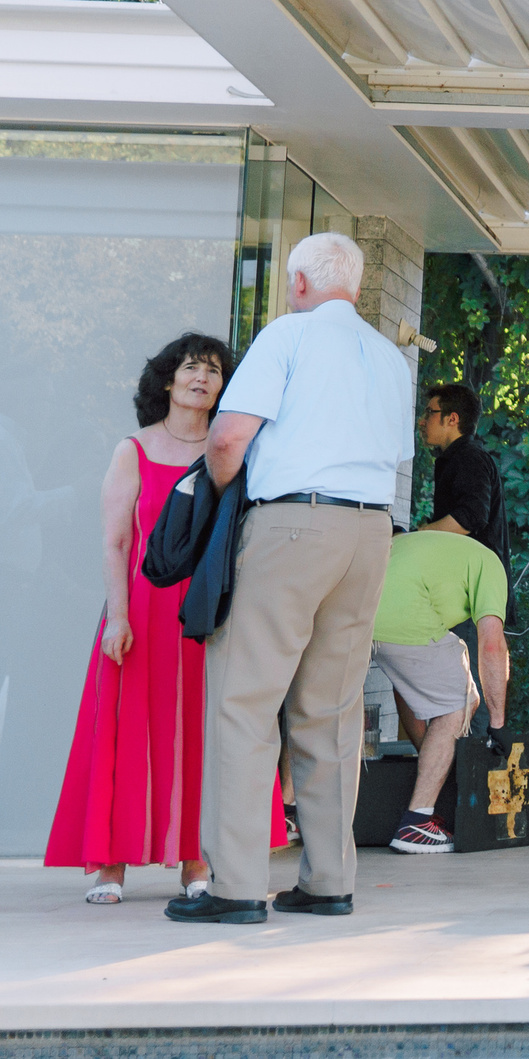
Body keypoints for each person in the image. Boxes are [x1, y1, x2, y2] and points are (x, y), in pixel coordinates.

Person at [174, 232, 410, 925]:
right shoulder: (390, 358)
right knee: (332, 710)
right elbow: (392, 451)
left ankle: (237, 885)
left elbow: (225, 439)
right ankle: (330, 879)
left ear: (299, 284)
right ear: (358, 288)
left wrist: (219, 496)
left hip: (293, 524)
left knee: (244, 700)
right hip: (368, 532)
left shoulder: (288, 336)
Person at [47, 335, 287, 903]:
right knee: (125, 732)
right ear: (167, 380)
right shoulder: (133, 449)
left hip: (205, 611)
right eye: (191, 368)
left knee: (204, 732)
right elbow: (114, 541)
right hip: (141, 611)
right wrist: (117, 617)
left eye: (213, 370)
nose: (202, 378)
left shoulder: (232, 449)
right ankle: (110, 866)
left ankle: (194, 861)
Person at [369, 525, 511, 853]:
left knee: (442, 662)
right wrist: (498, 723)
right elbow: (492, 646)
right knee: (460, 701)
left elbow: (405, 687)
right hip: (404, 612)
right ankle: (417, 823)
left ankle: (292, 809)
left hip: (358, 607)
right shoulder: (492, 566)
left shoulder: (433, 549)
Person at [420, 383, 509, 574]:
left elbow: (472, 516)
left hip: (480, 586)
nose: (422, 421)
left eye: (429, 413)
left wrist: (422, 534)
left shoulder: (469, 458)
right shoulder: (457, 458)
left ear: (452, 419)